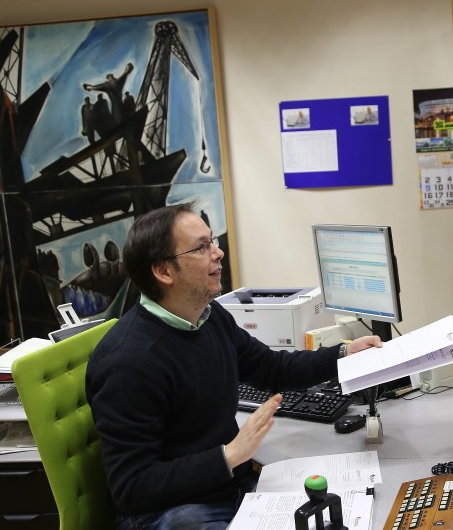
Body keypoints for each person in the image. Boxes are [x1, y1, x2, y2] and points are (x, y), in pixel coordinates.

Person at [85, 203, 382, 529]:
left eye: (212, 242)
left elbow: (273, 368)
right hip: (169, 510)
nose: (218, 253)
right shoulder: (128, 362)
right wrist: (229, 455)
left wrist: (342, 353)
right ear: (164, 271)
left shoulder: (209, 318)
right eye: (202, 247)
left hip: (228, 487)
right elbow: (132, 487)